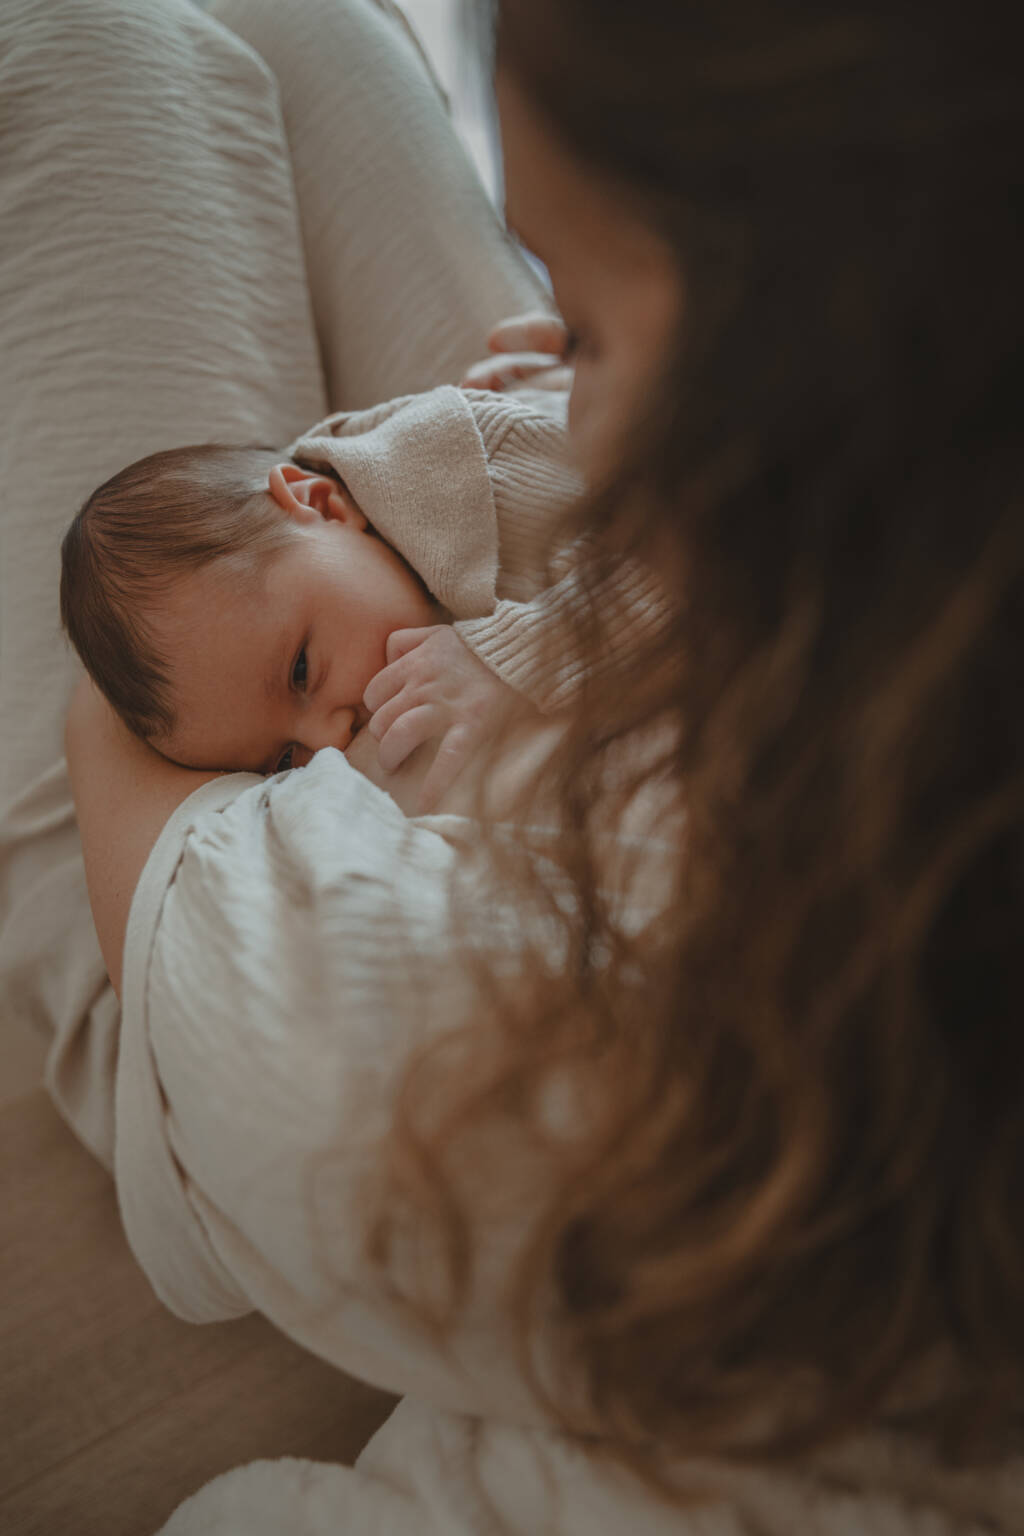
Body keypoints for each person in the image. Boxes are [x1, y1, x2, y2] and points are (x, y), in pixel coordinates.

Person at [11, 2, 1024, 1535]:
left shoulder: (772, 1071)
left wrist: (154, 716)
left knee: (97, 47)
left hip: (170, 906)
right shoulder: (900, 594)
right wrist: (564, 379)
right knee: (296, 32)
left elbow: (174, 707)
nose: (324, 745)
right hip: (391, 570)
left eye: (607, 338)